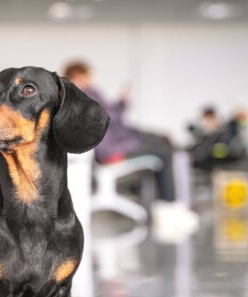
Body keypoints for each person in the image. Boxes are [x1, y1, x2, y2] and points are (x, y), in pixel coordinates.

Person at [64, 61, 198, 231]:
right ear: (78, 75)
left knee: (160, 145)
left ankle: (167, 207)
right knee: (164, 151)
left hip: (109, 146)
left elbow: (114, 119)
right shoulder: (87, 93)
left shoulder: (73, 96)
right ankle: (168, 209)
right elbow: (112, 117)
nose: (91, 79)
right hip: (110, 150)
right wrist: (123, 101)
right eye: (88, 75)